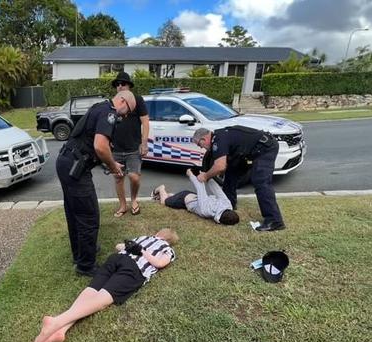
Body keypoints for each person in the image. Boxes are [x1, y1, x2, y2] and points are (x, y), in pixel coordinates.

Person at [31, 228, 179, 342]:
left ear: (159, 234)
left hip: (122, 262)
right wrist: (136, 249)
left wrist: (137, 248)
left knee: (92, 291)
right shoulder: (162, 247)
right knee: (101, 298)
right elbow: (154, 261)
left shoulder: (152, 242)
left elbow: (124, 248)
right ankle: (58, 322)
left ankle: (61, 329)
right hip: (131, 267)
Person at [57, 90, 137, 276]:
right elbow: (100, 146)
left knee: (74, 211)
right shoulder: (109, 112)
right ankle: (86, 266)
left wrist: (111, 162)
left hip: (66, 162)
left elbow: (93, 143)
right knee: (89, 216)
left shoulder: (98, 107)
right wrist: (113, 165)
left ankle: (81, 253)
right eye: (127, 112)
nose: (124, 117)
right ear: (123, 101)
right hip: (75, 168)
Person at [193, 126, 285, 231]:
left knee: (260, 182)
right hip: (246, 153)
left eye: (199, 144)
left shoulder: (218, 140)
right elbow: (223, 167)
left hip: (265, 148)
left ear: (204, 139)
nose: (201, 147)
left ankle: (275, 221)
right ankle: (228, 205)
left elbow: (220, 166)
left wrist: (205, 176)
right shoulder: (219, 137)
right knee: (231, 174)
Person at [109, 72, 149, 218]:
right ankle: (122, 205)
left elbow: (145, 122)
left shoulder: (137, 100)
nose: (120, 86)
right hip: (116, 149)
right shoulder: (112, 102)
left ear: (129, 86)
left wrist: (144, 143)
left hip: (133, 148)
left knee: (134, 177)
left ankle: (133, 200)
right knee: (118, 178)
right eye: (117, 84)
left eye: (123, 83)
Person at [152, 169, 239, 225]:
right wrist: (191, 175)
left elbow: (217, 191)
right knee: (164, 202)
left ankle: (166, 195)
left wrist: (208, 178)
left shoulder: (228, 204)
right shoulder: (207, 210)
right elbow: (201, 190)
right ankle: (160, 188)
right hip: (185, 198)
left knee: (172, 198)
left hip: (192, 199)